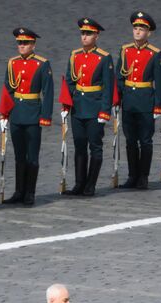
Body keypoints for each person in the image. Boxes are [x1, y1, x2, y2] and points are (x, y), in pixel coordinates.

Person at [61, 18, 115, 196]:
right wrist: (65, 105)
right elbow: (69, 81)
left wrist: (105, 111)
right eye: (83, 33)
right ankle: (79, 184)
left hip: (94, 107)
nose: (84, 37)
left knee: (95, 146)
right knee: (79, 146)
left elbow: (108, 87)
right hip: (78, 108)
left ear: (96, 36)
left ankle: (91, 184)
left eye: (89, 34)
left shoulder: (104, 58)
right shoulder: (75, 55)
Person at [2, 26, 55, 206]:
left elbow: (48, 92)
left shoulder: (42, 64)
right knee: (18, 155)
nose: (22, 46)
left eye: (25, 43)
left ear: (33, 44)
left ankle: (30, 192)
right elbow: (8, 90)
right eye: (20, 43)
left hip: (33, 113)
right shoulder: (12, 63)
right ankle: (19, 191)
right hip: (16, 113)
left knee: (32, 155)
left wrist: (45, 115)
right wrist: (4, 113)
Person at [117, 12, 161, 190]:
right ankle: (132, 175)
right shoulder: (125, 50)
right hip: (129, 102)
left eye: (141, 29)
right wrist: (120, 97)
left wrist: (158, 106)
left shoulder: (155, 54)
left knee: (145, 141)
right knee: (130, 140)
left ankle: (143, 176)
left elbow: (160, 82)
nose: (137, 32)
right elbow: (119, 76)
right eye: (135, 28)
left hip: (146, 101)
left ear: (148, 33)